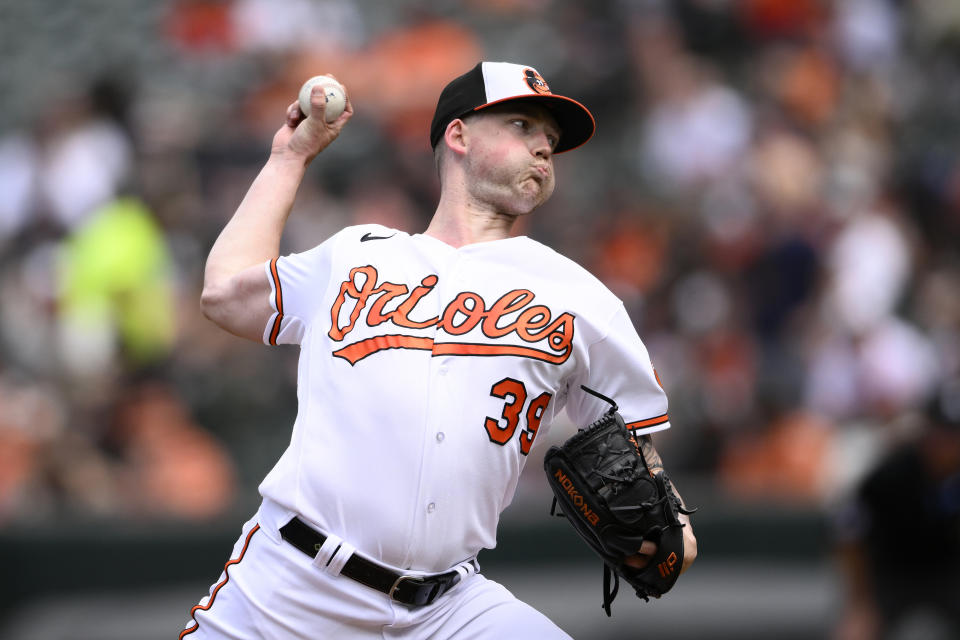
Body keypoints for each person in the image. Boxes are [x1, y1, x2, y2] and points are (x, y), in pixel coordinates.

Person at [182, 61, 696, 639]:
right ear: (459, 134)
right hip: (291, 588)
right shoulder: (359, 254)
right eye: (524, 126)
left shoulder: (582, 298)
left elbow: (633, 446)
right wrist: (288, 157)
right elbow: (225, 293)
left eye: (550, 141)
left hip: (448, 610)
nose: (543, 149)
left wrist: (673, 525)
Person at [833, 378, 960, 640]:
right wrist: (859, 604)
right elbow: (850, 539)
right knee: (854, 633)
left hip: (951, 574)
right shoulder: (889, 476)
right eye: (942, 433)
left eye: (955, 435)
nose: (947, 443)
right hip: (893, 575)